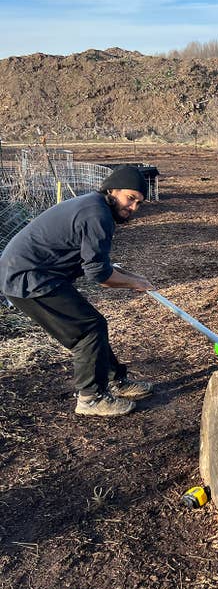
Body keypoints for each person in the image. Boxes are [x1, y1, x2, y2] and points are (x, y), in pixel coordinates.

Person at [0, 164, 155, 416]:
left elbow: (94, 262)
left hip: (35, 273)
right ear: (112, 190)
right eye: (130, 199)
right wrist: (134, 283)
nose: (133, 208)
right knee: (89, 329)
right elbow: (99, 275)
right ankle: (91, 399)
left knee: (93, 325)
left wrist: (132, 276)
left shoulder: (94, 205)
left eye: (139, 203)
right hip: (27, 279)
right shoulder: (98, 215)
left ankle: (116, 381)